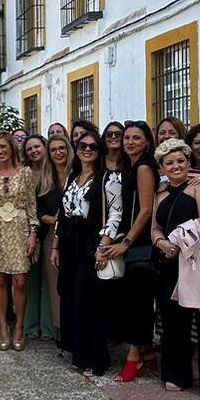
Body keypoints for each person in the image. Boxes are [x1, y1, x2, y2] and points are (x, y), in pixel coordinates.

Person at [151, 138, 200, 400]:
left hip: (199, 259)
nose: (176, 166)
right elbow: (155, 227)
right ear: (162, 166)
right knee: (173, 318)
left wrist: (175, 241)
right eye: (170, 162)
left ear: (188, 162)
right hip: (170, 261)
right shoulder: (160, 192)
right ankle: (176, 374)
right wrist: (162, 243)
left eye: (181, 161)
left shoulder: (199, 186)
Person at [53, 132, 121, 374]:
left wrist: (103, 247)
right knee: (71, 296)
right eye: (83, 145)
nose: (87, 150)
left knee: (90, 301)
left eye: (93, 146)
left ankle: (95, 359)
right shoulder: (73, 176)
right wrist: (55, 245)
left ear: (100, 150)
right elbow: (63, 212)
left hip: (91, 243)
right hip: (70, 244)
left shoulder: (108, 178)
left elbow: (116, 214)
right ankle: (77, 350)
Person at [0, 132, 36, 350]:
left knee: (20, 281)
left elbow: (32, 206)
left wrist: (33, 233)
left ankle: (19, 327)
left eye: (4, 147)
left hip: (20, 229)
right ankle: (3, 326)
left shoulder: (25, 173)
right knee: (0, 280)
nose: (0, 151)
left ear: (12, 148)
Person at [111, 122, 159, 380]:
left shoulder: (143, 167)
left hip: (141, 245)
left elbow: (146, 210)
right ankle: (148, 352)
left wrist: (126, 242)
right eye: (127, 137)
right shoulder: (132, 166)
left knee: (136, 301)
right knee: (136, 299)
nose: (129, 141)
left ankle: (134, 356)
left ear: (147, 142)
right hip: (136, 242)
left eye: (136, 138)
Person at [29, 134, 71, 344]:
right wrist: (52, 219)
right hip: (51, 236)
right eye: (54, 149)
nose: (58, 153)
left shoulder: (78, 174)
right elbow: (35, 210)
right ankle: (60, 330)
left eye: (61, 148)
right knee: (55, 286)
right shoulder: (46, 178)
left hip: (77, 236)